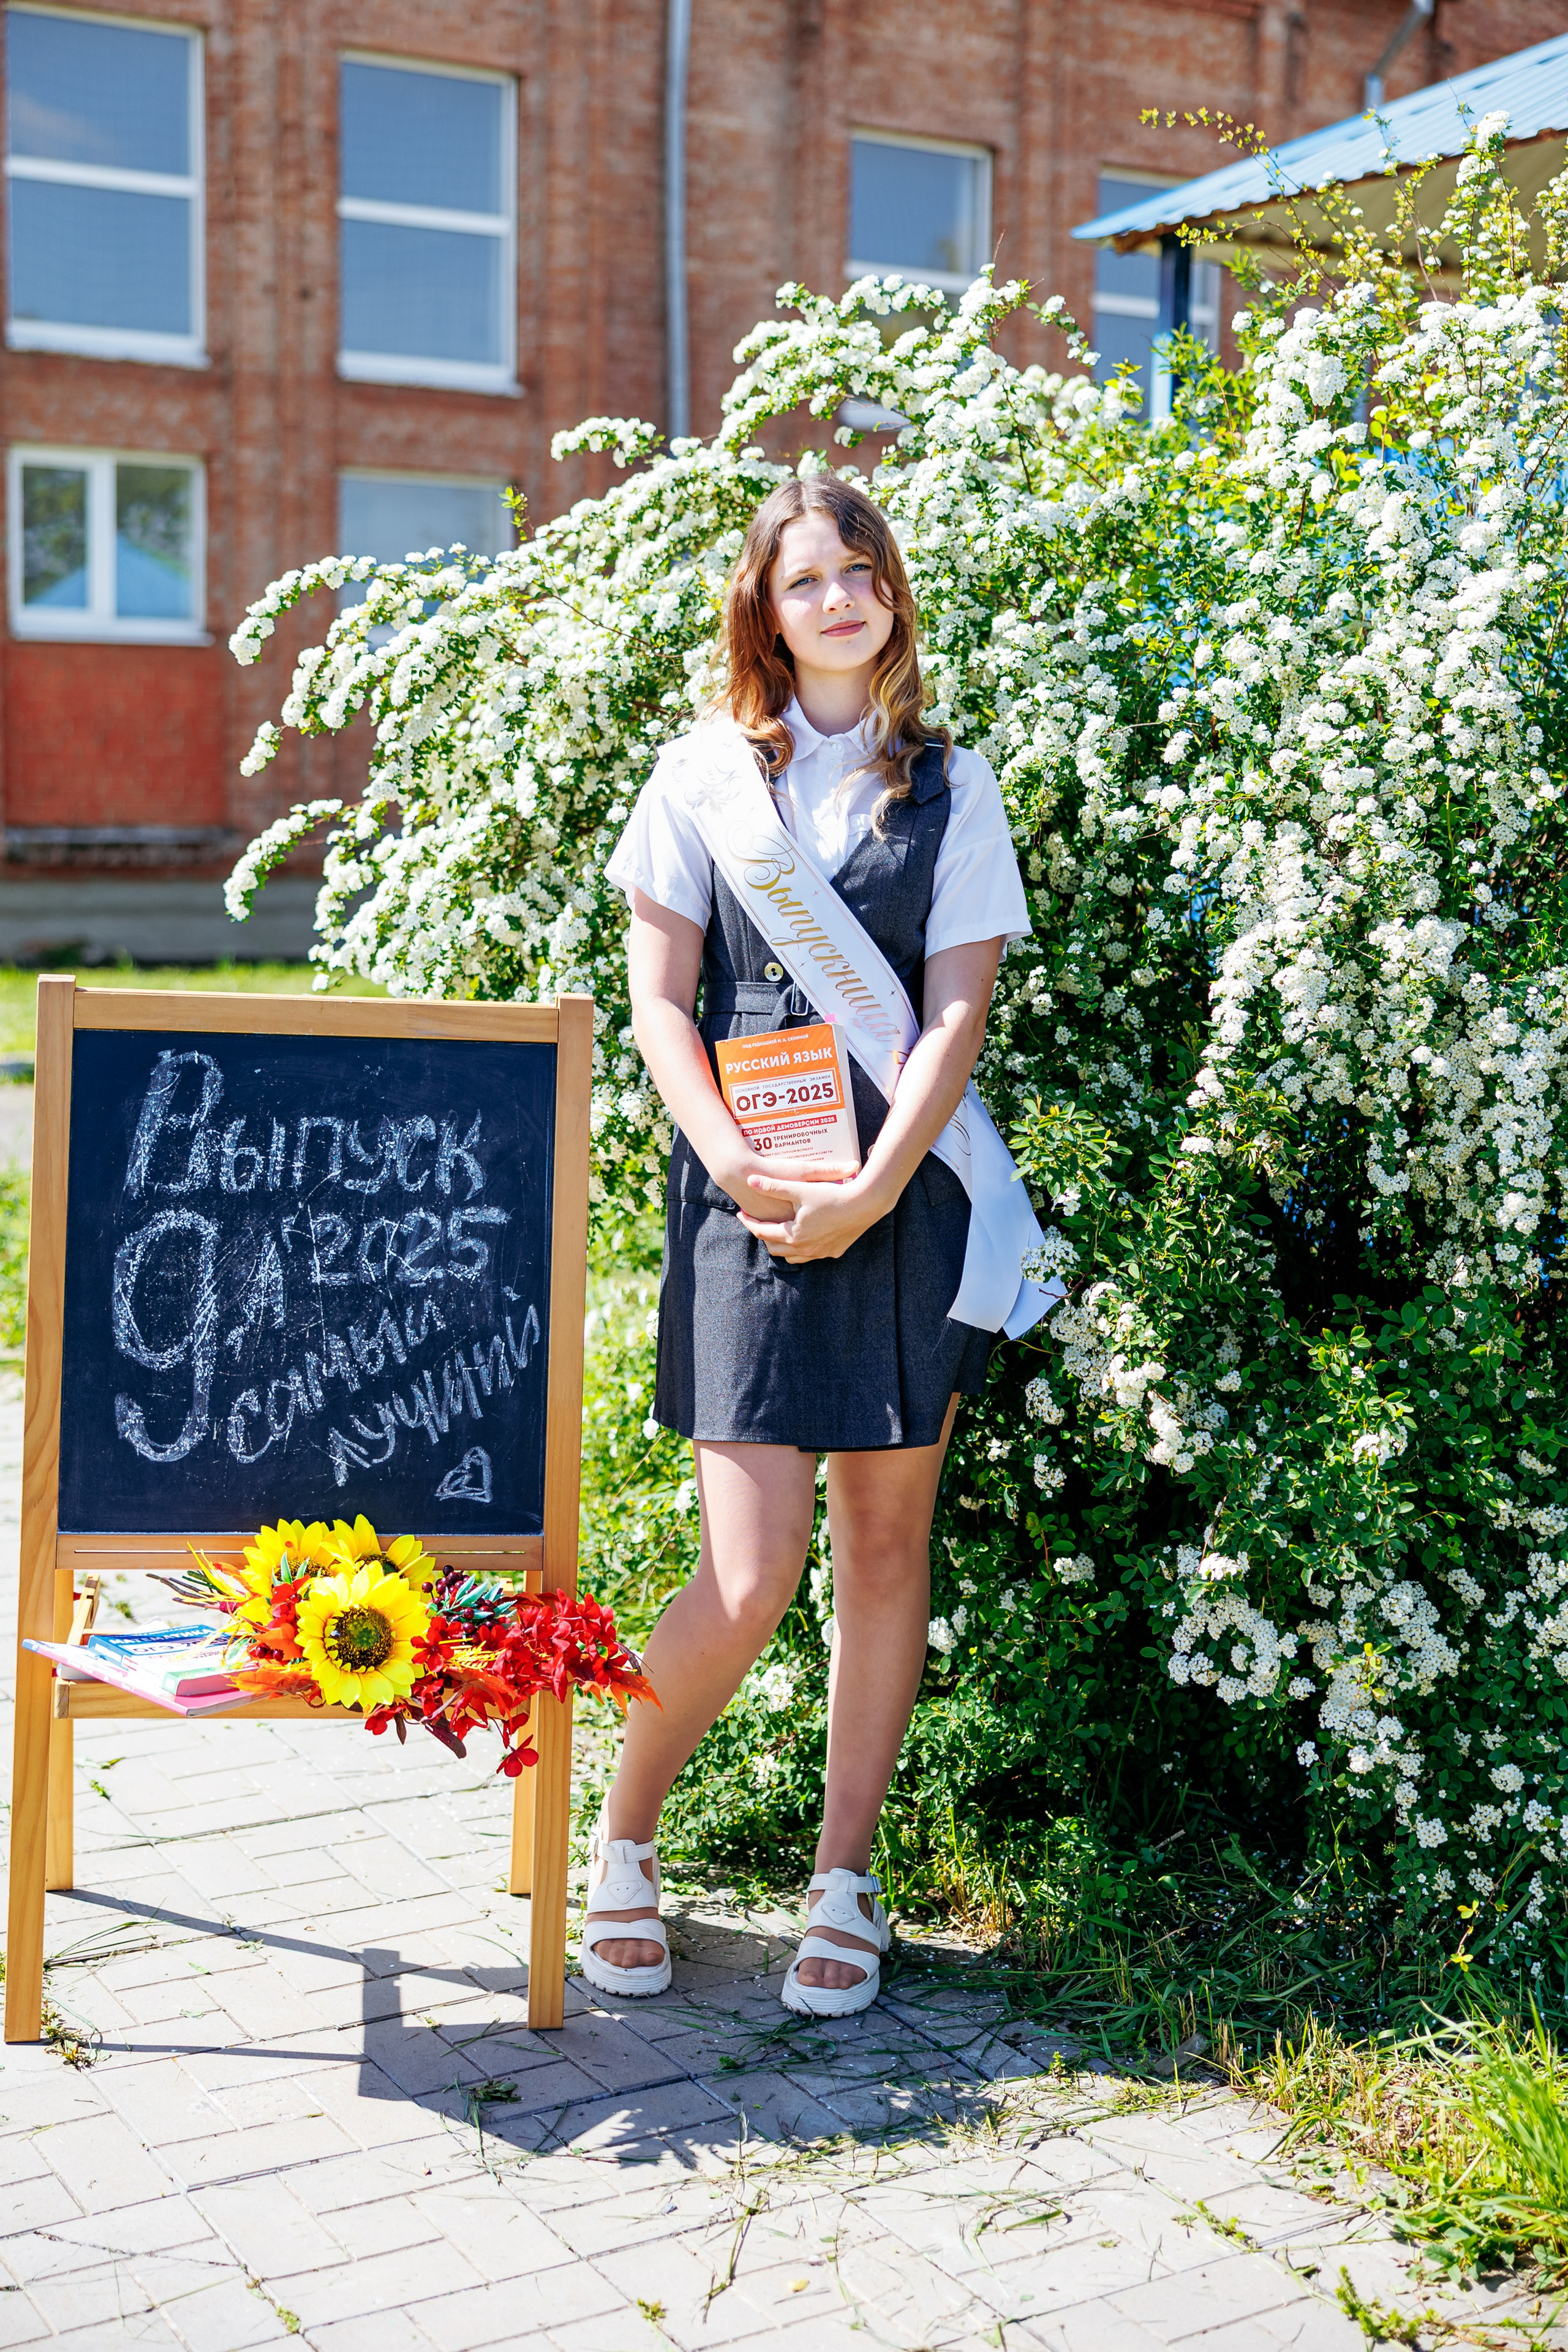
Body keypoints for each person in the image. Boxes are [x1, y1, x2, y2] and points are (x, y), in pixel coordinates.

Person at [589, 473, 1031, 2016]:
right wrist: (731, 1165)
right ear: (764, 614)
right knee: (750, 1567)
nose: (838, 598)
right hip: (747, 1202)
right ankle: (622, 1837)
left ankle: (843, 1883)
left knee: (884, 1550)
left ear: (890, 591)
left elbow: (956, 1015)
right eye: (804, 580)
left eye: (859, 570)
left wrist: (874, 1186)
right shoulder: (698, 780)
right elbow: (659, 999)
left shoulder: (954, 788)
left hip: (905, 1202)